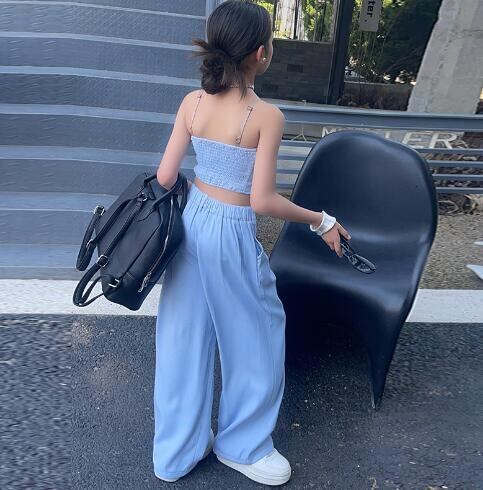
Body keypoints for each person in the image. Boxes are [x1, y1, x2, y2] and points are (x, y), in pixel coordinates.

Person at [152, 0, 351, 486]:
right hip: (230, 230)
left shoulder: (192, 102)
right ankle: (241, 446)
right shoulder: (266, 115)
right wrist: (322, 220)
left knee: (183, 336)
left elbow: (165, 177)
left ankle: (175, 452)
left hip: (190, 220)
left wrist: (201, 196)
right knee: (256, 335)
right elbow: (262, 200)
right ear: (261, 53)